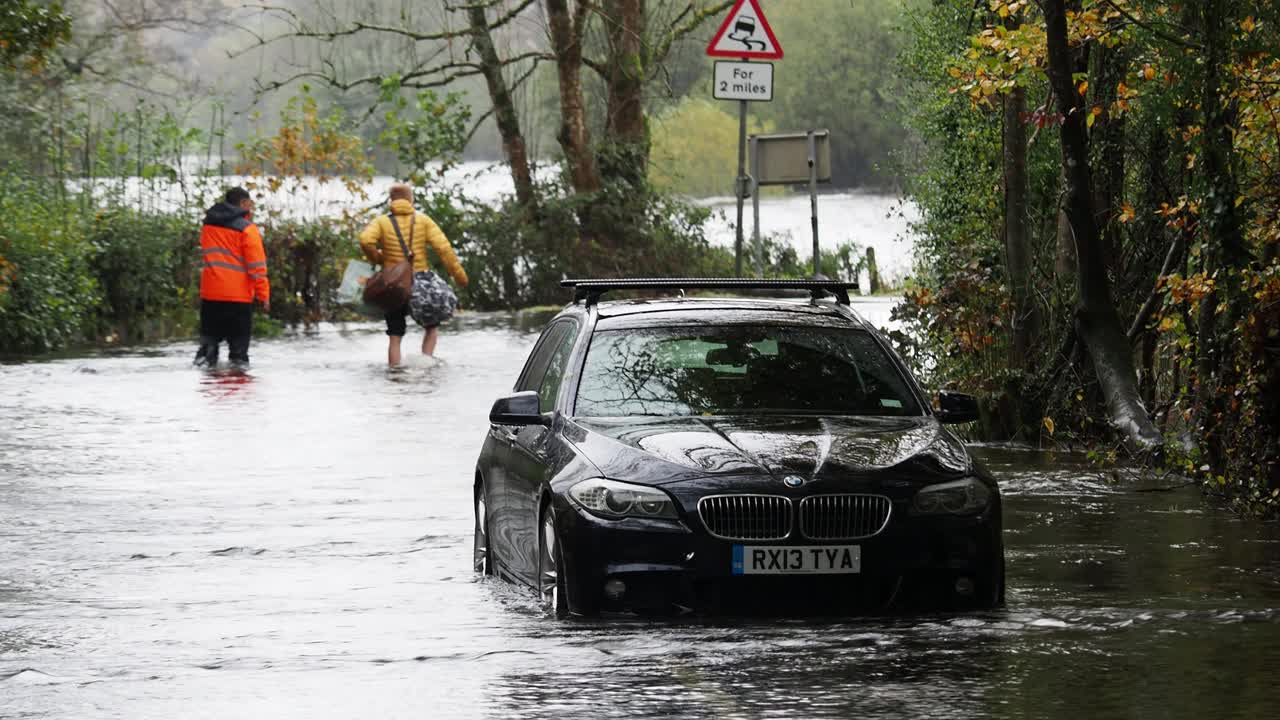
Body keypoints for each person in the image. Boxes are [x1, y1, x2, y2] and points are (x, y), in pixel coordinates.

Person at [359, 183, 468, 364]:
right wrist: (460, 277)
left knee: (395, 335)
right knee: (431, 326)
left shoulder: (381, 222)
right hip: (420, 281)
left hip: (393, 284)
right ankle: (426, 366)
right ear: (411, 200)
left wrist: (379, 258)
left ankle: (395, 374)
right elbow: (444, 249)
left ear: (391, 200)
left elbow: (365, 240)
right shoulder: (424, 220)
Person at [193, 187, 270, 368]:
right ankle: (238, 392)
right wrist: (263, 295)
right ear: (243, 203)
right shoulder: (247, 229)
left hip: (211, 295)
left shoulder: (208, 225)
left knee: (207, 351)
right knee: (238, 356)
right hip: (238, 298)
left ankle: (208, 386)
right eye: (249, 204)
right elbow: (257, 266)